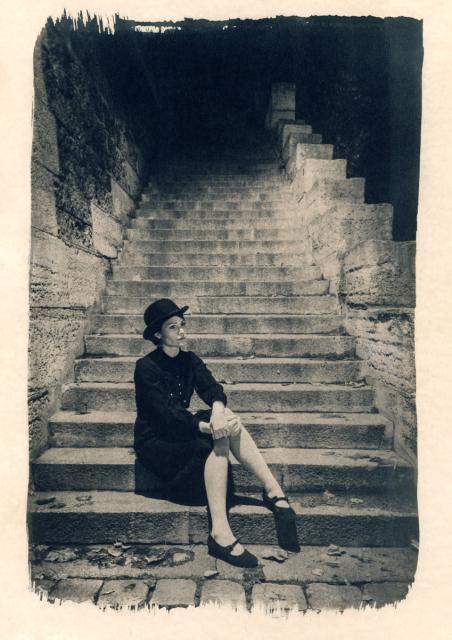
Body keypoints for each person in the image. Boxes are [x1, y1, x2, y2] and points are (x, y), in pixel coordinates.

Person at [133, 298, 299, 567]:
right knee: (213, 439)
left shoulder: (189, 360)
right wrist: (207, 426)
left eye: (182, 325)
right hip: (156, 441)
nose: (181, 331)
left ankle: (271, 490)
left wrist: (219, 412)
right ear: (157, 334)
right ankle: (220, 533)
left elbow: (212, 389)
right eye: (173, 327)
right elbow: (164, 414)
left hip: (180, 429)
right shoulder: (146, 367)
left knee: (228, 420)